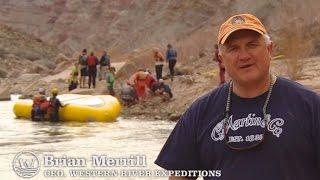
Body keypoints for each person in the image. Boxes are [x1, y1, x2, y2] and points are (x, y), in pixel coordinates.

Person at [155, 13, 320, 180]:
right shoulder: (199, 112)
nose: (244, 56)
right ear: (221, 58)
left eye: (252, 45)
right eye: (233, 48)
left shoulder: (310, 105)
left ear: (269, 49)